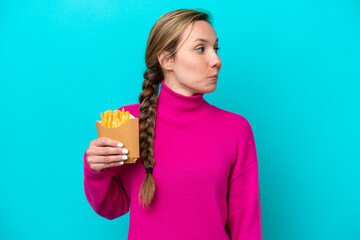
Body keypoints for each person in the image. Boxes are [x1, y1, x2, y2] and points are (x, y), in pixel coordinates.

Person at [84, 8, 263, 240]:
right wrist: (96, 171)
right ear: (167, 60)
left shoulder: (236, 129)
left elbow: (246, 226)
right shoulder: (127, 122)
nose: (216, 60)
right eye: (201, 49)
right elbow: (112, 207)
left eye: (215, 49)